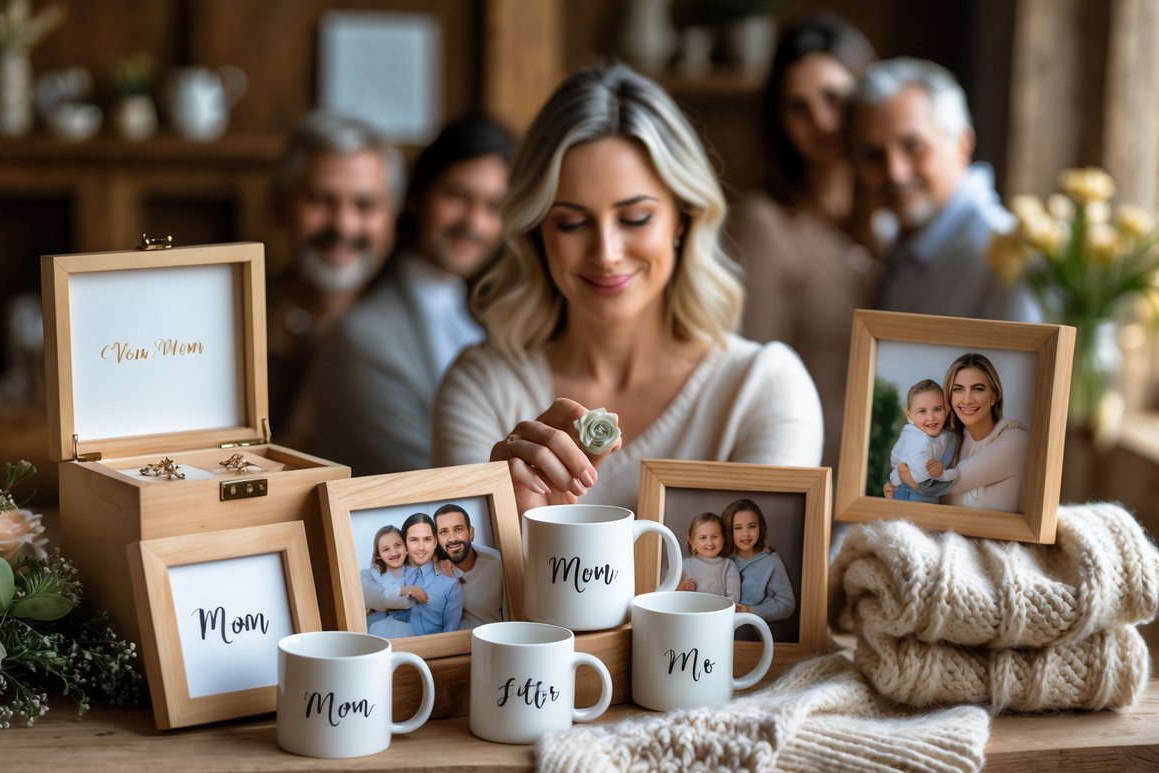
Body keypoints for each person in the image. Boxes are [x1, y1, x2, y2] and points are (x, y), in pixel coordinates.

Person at [431, 65, 824, 515]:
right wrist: (514, 519)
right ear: (538, 231)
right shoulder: (480, 386)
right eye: (572, 222)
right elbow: (470, 583)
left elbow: (757, 581)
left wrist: (556, 544)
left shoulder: (762, 390)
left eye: (635, 217)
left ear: (683, 217)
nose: (606, 252)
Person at [310, 117, 517, 473]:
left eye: (492, 207)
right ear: (417, 197)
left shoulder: (495, 314)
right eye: (457, 196)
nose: (474, 223)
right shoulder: (365, 335)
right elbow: (427, 478)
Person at [729, 15, 880, 472]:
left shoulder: (896, 212)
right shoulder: (767, 223)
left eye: (835, 97)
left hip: (906, 469)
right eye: (799, 107)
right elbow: (753, 371)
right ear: (779, 122)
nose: (822, 121)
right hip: (815, 466)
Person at [851, 58, 1039, 323]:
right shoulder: (888, 245)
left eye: (913, 146)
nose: (894, 172)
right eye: (873, 155)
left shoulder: (1007, 261)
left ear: (962, 145)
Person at [266, 111, 405, 443]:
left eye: (365, 205)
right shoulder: (238, 314)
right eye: (321, 201)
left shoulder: (412, 330)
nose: (343, 226)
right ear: (280, 205)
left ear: (393, 215)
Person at [897, 352, 1029, 513]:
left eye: (978, 389)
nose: (966, 400)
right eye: (958, 389)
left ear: (994, 396)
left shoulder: (1015, 441)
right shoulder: (950, 444)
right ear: (950, 397)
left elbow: (933, 487)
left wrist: (906, 476)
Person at [722, 498, 795, 626]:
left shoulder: (771, 562)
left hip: (753, 633)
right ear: (728, 531)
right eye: (738, 528)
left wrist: (750, 610)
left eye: (752, 526)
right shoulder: (720, 561)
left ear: (761, 528)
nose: (745, 534)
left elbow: (786, 604)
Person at [433, 502, 504, 629]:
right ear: (436, 539)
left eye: (458, 529)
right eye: (444, 532)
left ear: (471, 533)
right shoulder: (432, 567)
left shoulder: (496, 563)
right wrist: (436, 560)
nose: (452, 538)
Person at [888, 378, 959, 503]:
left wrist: (942, 474)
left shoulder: (949, 438)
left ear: (946, 410)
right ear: (909, 415)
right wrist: (897, 479)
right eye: (922, 411)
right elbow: (896, 459)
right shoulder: (909, 435)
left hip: (926, 501)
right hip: (902, 494)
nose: (931, 417)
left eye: (937, 409)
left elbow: (948, 476)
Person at [401, 511, 463, 635]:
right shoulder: (389, 577)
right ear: (404, 544)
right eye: (414, 540)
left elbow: (450, 635)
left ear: (435, 541)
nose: (421, 547)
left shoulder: (451, 583)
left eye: (427, 539)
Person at [360, 525, 424, 638]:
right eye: (386, 549)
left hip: (408, 629)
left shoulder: (415, 572)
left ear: (406, 547)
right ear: (378, 555)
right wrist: (407, 590)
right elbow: (379, 597)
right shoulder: (374, 575)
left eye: (398, 545)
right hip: (379, 628)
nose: (393, 552)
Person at [677, 511, 740, 603]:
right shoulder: (683, 565)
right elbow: (672, 599)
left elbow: (734, 599)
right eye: (703, 538)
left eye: (715, 536)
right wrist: (680, 590)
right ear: (691, 541)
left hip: (719, 615)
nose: (709, 543)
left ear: (723, 538)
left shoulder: (729, 565)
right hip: (690, 614)